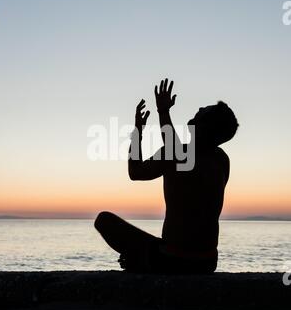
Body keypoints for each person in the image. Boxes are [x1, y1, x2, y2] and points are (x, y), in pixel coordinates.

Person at [94, 79, 239, 274]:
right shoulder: (222, 160)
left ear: (207, 126)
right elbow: (178, 151)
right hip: (208, 262)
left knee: (103, 220)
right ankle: (142, 259)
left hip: (174, 259)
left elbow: (135, 172)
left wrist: (142, 127)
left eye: (206, 110)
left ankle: (142, 262)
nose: (201, 107)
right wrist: (162, 115)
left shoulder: (177, 154)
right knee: (152, 247)